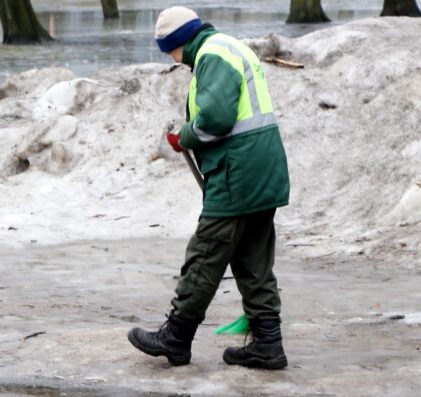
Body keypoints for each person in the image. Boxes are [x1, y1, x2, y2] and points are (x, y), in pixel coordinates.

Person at [127, 6, 291, 370]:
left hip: (238, 172)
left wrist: (183, 136)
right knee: (252, 259)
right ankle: (268, 343)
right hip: (264, 169)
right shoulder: (231, 47)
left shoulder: (211, 54)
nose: (172, 58)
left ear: (177, 41)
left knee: (205, 253)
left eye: (168, 49)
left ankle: (176, 337)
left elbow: (216, 119)